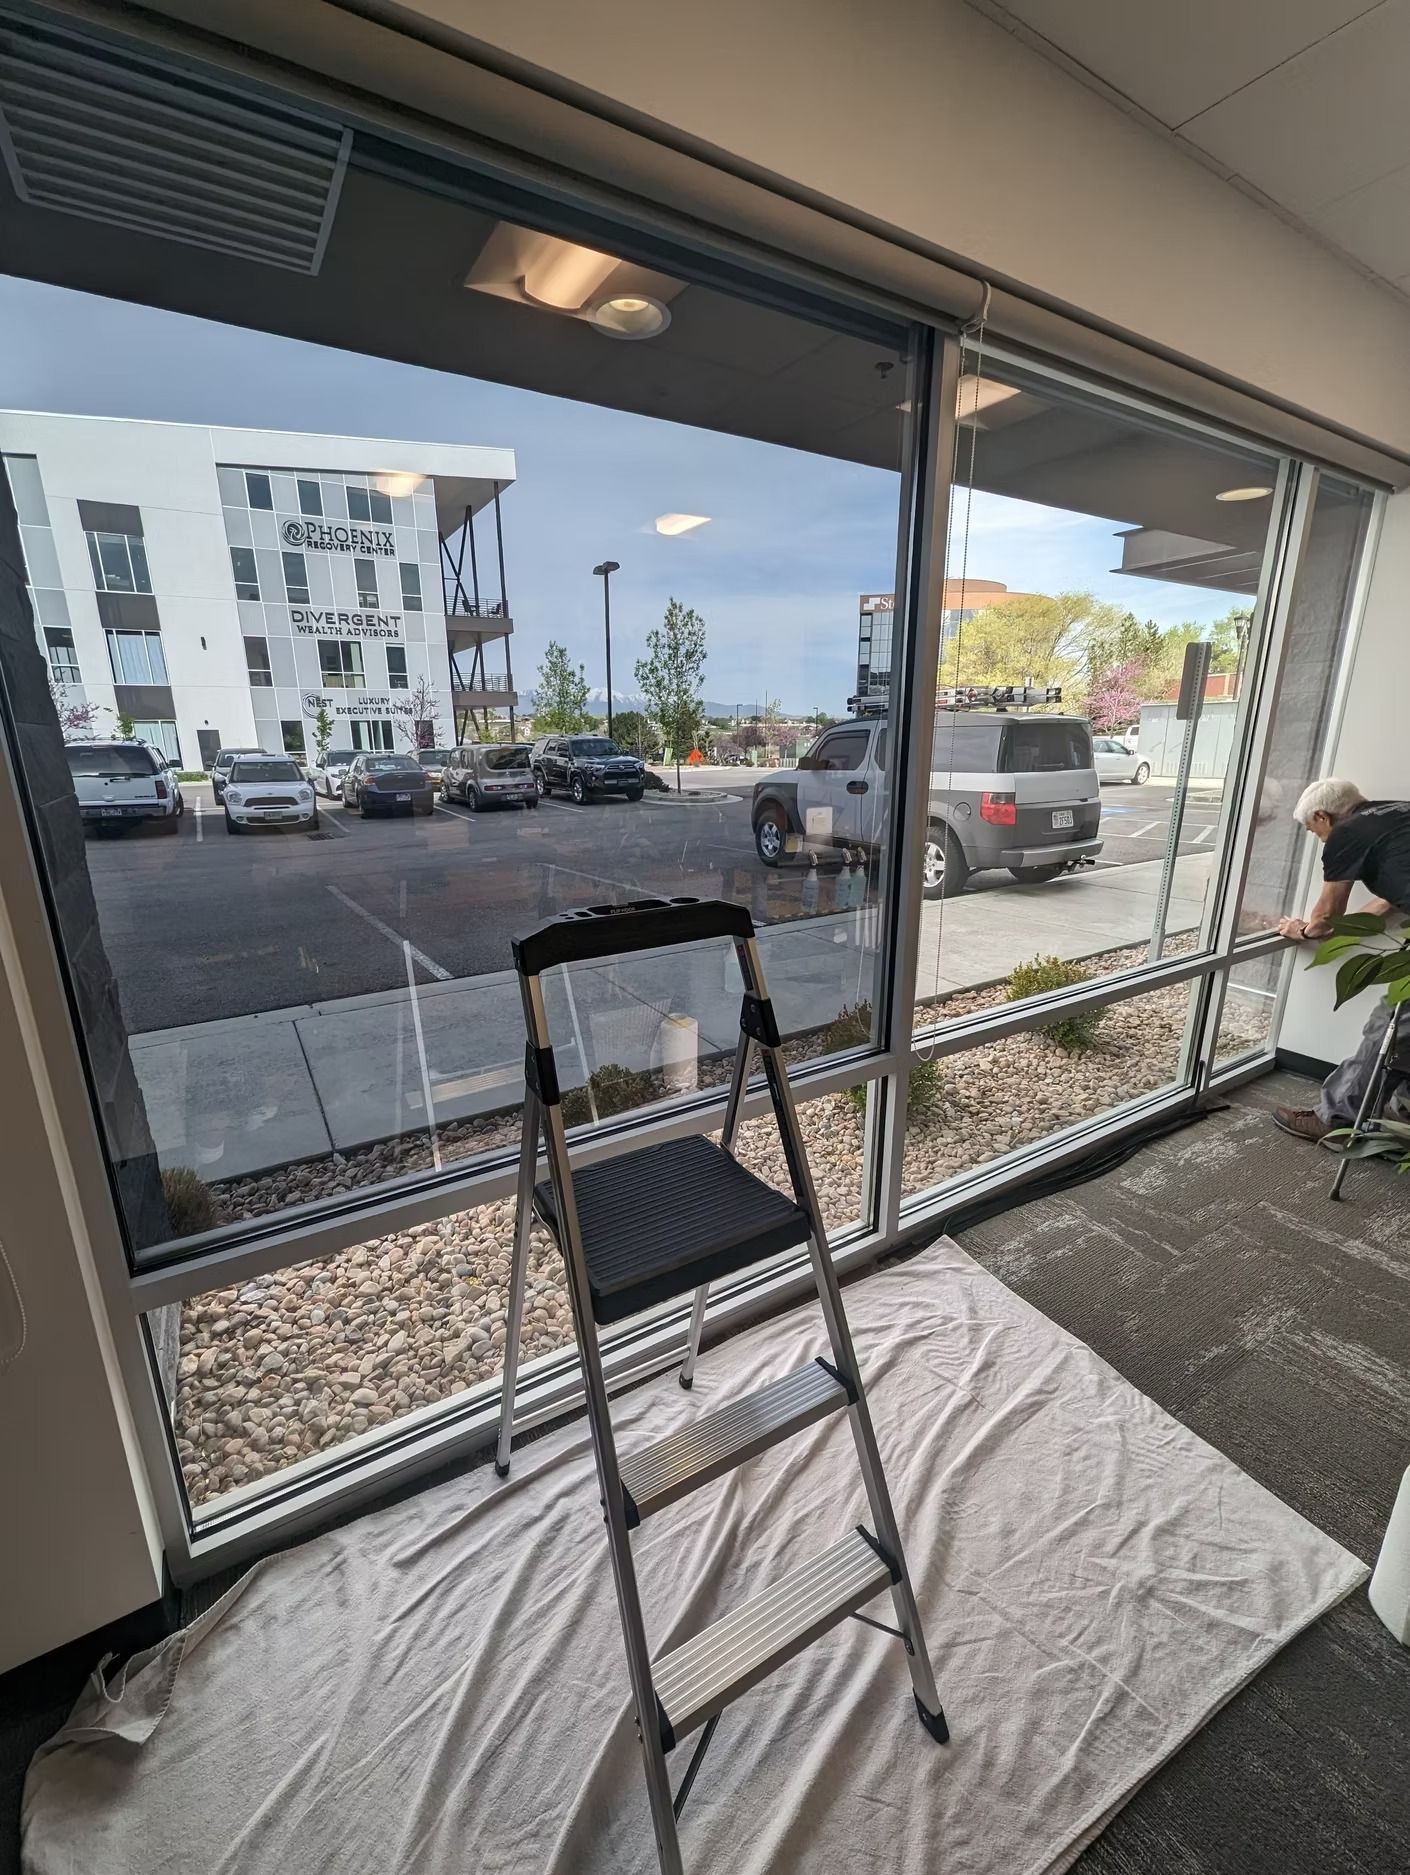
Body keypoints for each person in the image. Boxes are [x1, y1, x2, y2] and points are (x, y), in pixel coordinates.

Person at [1273, 778, 1410, 1142]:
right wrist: (1338, 929)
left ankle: (1338, 1118)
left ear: (1323, 816)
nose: (1319, 839)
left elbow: (1326, 916)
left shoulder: (1346, 832)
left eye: (1313, 830)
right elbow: (1386, 904)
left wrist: (1301, 930)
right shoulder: (1397, 813)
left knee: (1390, 1028)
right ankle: (1404, 1111)